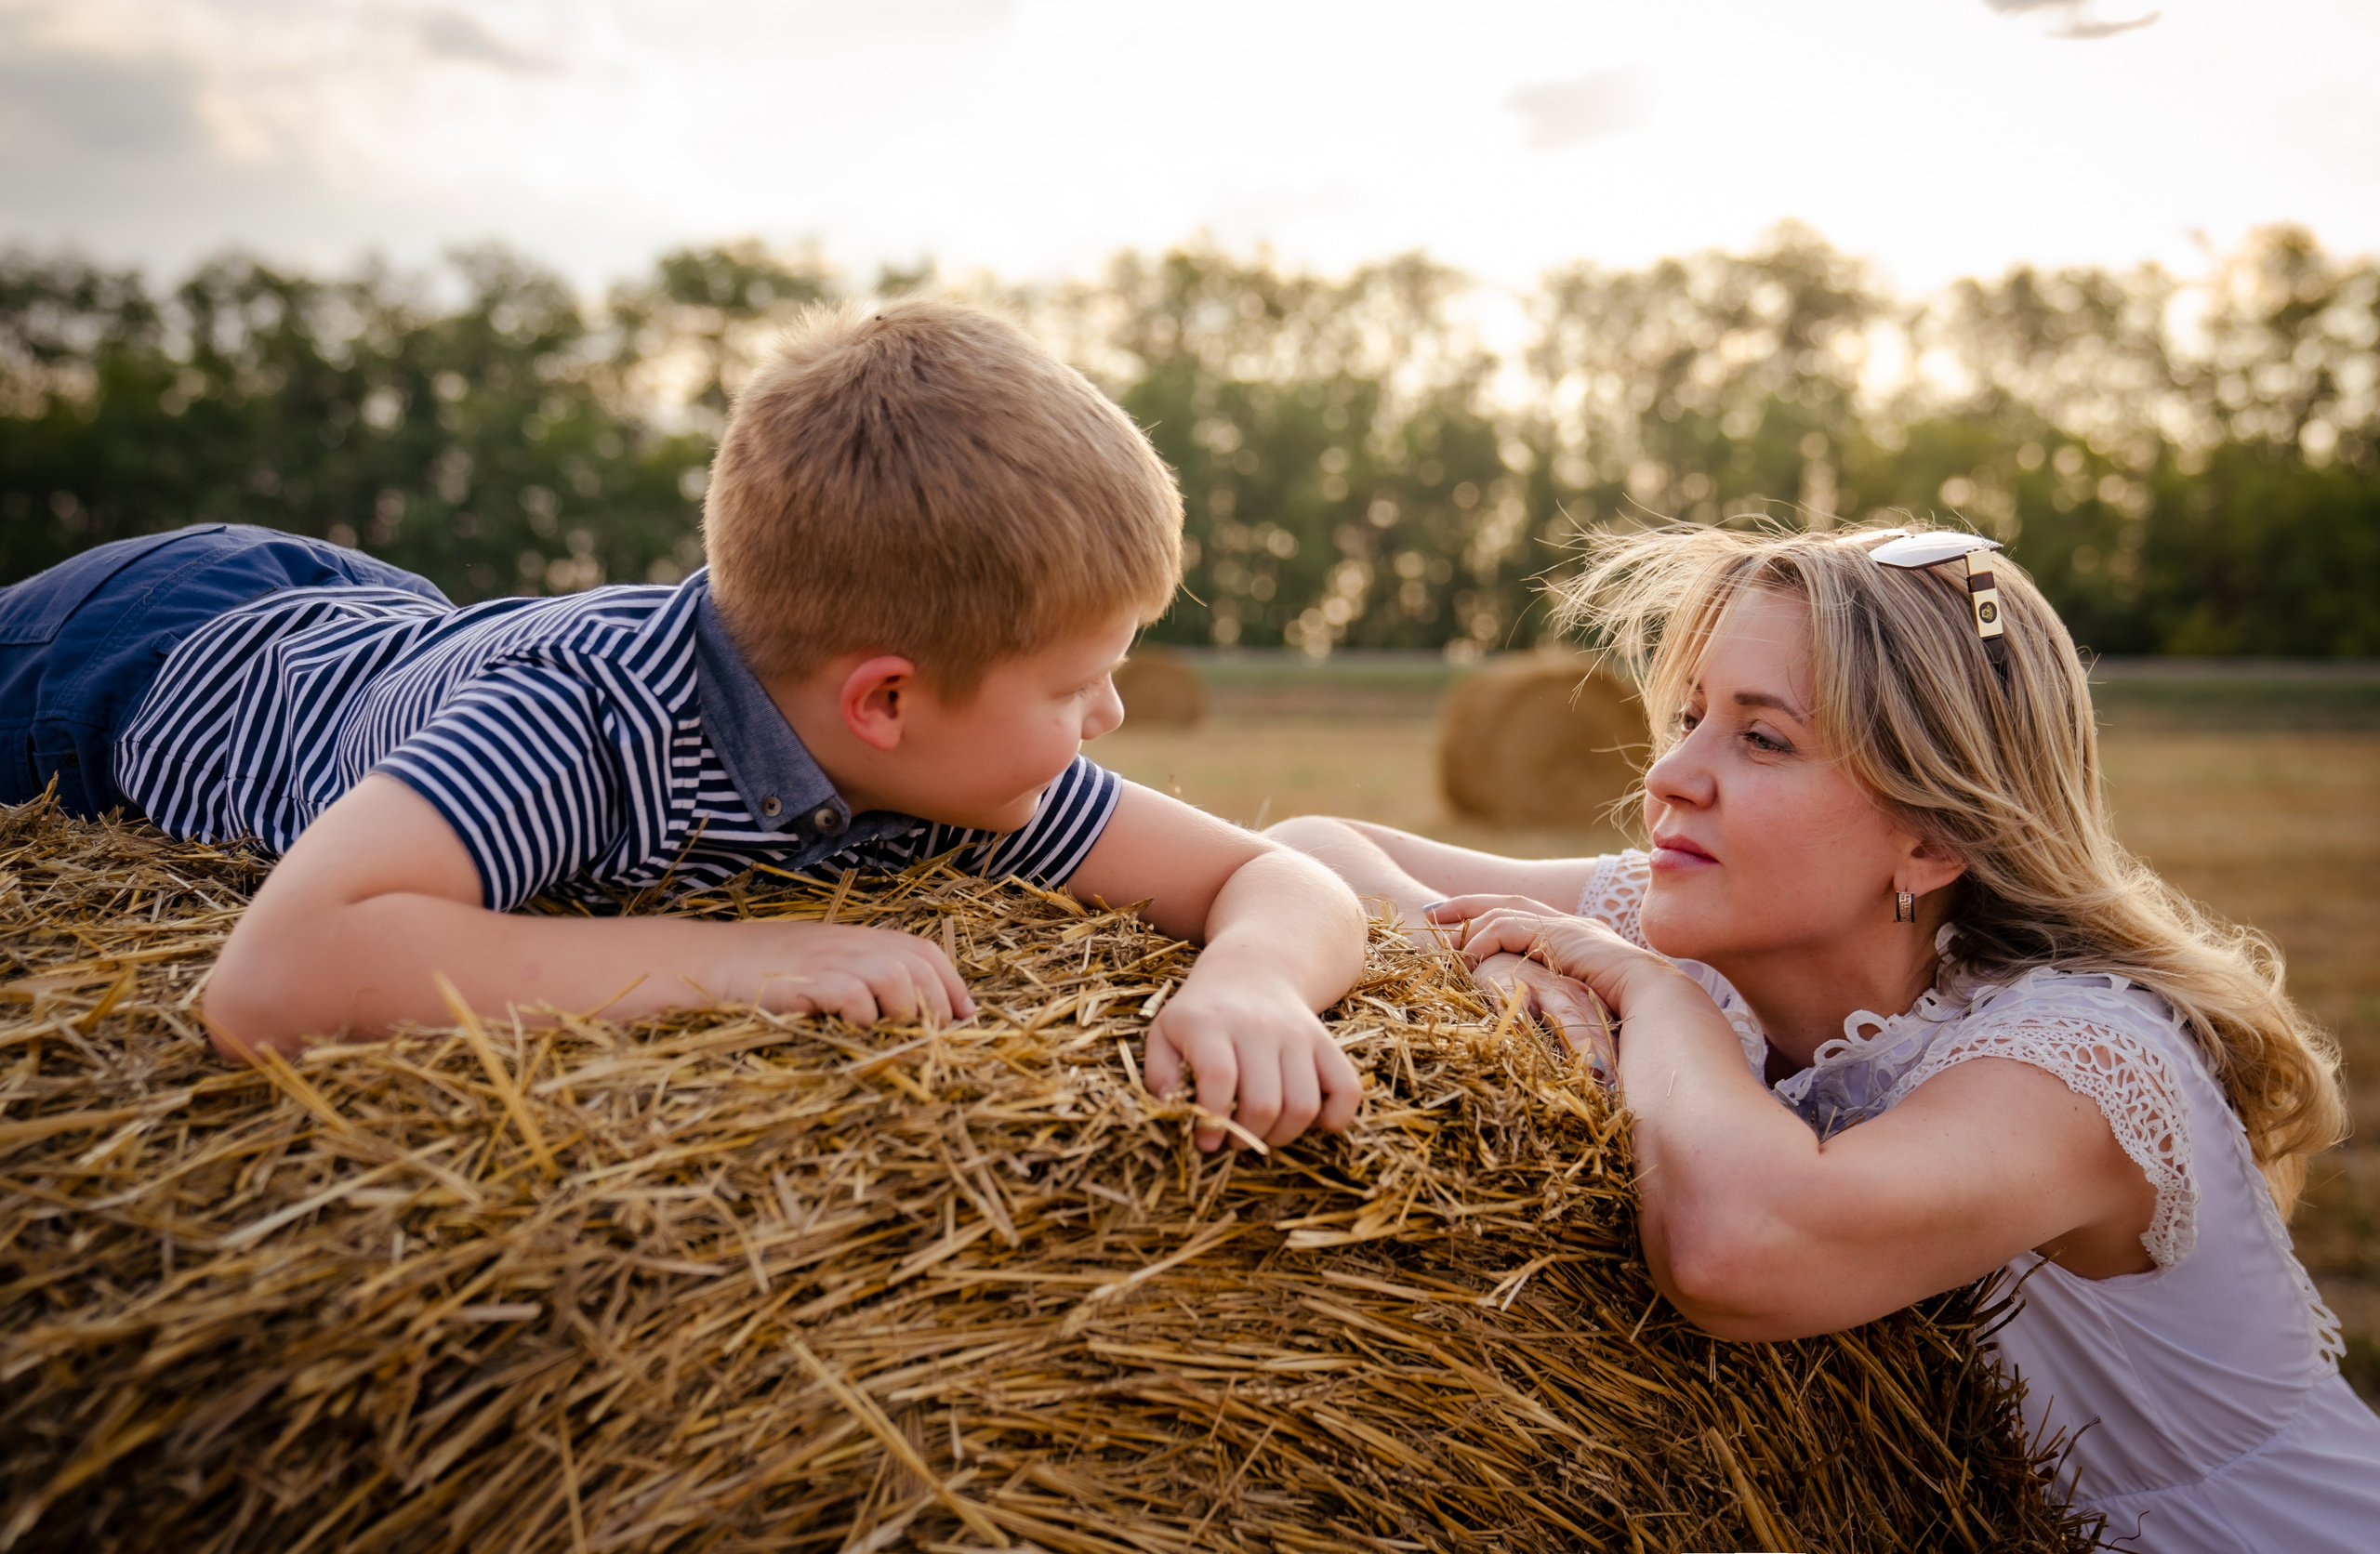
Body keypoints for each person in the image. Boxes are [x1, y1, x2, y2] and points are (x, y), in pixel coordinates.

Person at [0, 298, 1365, 1155]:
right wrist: (745, 959)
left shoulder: (961, 775)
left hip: (380, 625)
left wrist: (1245, 982)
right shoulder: (580, 731)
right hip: (126, 660)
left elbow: (1275, 876)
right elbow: (271, 985)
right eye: (1076, 690)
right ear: (884, 699)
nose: (1111, 718)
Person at [1272, 522, 2380, 1547]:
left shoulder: (2082, 1060)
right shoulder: (1708, 915)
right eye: (1686, 716)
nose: (1666, 775)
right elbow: (1308, 842)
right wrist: (1496, 946)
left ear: (1935, 839)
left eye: (1759, 736)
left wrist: (1661, 1000)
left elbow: (1738, 1251)